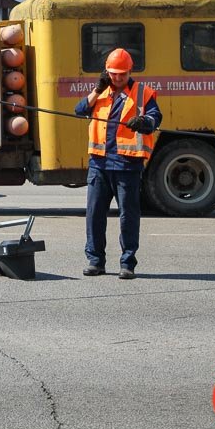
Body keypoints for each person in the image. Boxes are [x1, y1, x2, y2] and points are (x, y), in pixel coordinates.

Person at [74, 48, 162, 280]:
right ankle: (95, 261)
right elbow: (80, 110)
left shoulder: (142, 93)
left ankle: (127, 263)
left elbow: (155, 118)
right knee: (94, 214)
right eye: (113, 73)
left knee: (128, 216)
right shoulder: (101, 91)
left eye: (122, 74)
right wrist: (96, 90)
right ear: (107, 72)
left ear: (130, 71)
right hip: (99, 164)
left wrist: (144, 121)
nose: (118, 78)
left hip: (127, 165)